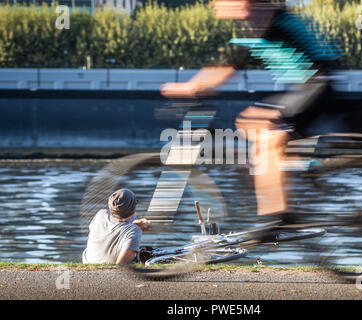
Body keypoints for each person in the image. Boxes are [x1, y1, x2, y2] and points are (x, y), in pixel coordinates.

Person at [161, 0, 341, 217]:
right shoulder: (256, 22)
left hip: (319, 86)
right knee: (248, 122)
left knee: (268, 136)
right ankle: (298, 167)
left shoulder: (266, 17)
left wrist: (192, 87)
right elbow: (226, 65)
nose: (214, 5)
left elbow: (226, 69)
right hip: (306, 87)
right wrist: (195, 86)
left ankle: (277, 216)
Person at [82, 188, 151, 264]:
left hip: (87, 261)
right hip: (108, 270)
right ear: (134, 208)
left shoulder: (100, 214)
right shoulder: (134, 230)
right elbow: (121, 266)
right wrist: (138, 228)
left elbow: (120, 217)